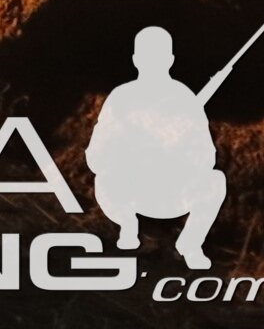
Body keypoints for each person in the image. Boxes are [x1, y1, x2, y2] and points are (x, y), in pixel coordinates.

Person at [89, 24, 231, 271]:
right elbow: (96, 155)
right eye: (147, 56)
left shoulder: (184, 98)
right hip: (132, 191)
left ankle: (190, 243)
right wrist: (133, 152)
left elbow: (207, 156)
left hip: (173, 192)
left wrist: (177, 147)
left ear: (170, 60)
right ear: (136, 60)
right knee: (105, 179)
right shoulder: (122, 97)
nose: (152, 62)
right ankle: (127, 226)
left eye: (157, 56)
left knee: (215, 181)